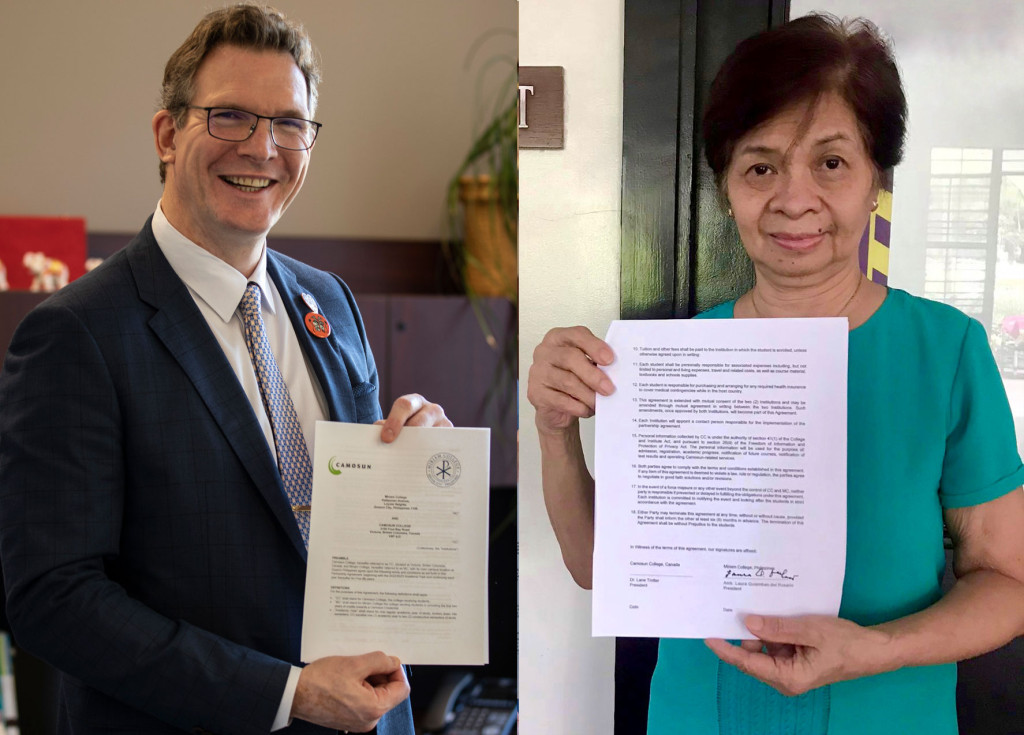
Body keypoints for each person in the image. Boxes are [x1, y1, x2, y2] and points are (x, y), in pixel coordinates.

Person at [527, 14, 1024, 735]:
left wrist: (873, 648)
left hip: (886, 716)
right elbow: (601, 569)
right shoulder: (676, 362)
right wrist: (554, 431)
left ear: (877, 178)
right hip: (696, 717)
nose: (794, 199)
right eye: (760, 166)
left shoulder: (944, 350)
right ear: (727, 187)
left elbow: (1009, 581)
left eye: (830, 162)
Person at [0, 5, 452, 734]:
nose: (263, 148)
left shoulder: (329, 302)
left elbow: (358, 535)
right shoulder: (75, 333)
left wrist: (422, 461)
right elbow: (55, 598)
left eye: (289, 123)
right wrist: (288, 693)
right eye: (231, 116)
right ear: (167, 135)